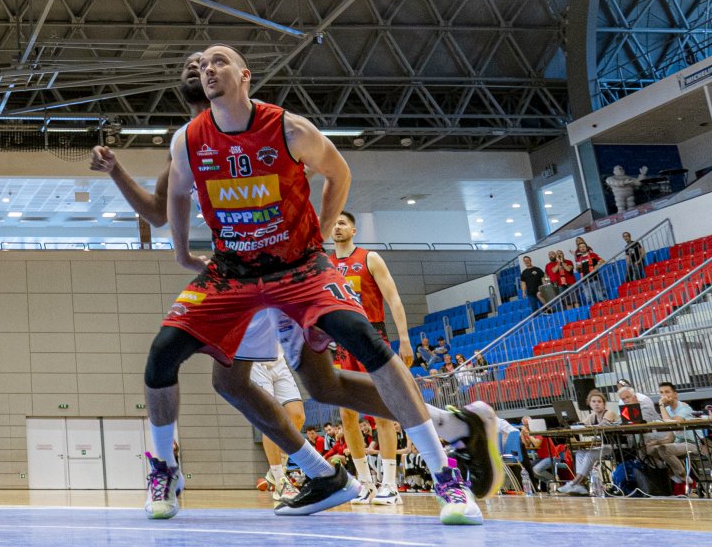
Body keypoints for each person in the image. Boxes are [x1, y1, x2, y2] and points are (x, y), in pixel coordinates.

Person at [89, 43, 495, 524]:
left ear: (244, 75)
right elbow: (165, 206)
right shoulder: (187, 142)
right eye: (197, 65)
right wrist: (167, 235)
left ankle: (440, 466)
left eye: (215, 61)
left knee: (333, 363)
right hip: (235, 273)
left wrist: (319, 234)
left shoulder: (286, 128)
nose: (203, 67)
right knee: (208, 368)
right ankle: (388, 448)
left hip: (295, 269)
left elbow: (338, 172)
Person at [327, 210, 412, 505]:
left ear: (353, 230)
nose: (336, 227)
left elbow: (394, 299)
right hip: (342, 344)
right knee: (347, 415)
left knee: (381, 411)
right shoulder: (325, 265)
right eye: (333, 223)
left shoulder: (370, 258)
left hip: (373, 337)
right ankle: (364, 482)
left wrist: (404, 339)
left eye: (342, 223)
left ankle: (390, 484)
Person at [243, 312, 308, 502]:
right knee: (270, 419)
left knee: (298, 415)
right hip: (254, 362)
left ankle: (275, 469)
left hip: (279, 360)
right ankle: (280, 481)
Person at [645, 381, 699, 483]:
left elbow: (672, 424)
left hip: (693, 443)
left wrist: (661, 405)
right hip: (678, 444)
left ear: (675, 394)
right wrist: (656, 442)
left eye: (667, 392)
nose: (664, 395)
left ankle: (682, 475)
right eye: (661, 393)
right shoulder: (667, 410)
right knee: (649, 449)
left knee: (664, 450)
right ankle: (671, 473)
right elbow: (670, 437)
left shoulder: (685, 407)